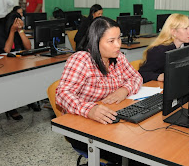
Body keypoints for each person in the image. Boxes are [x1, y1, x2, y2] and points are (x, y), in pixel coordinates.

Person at [56, 16, 143, 165]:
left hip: (110, 120)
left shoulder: (118, 58)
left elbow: (137, 78)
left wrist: (124, 90)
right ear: (96, 41)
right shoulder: (81, 60)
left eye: (119, 39)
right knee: (137, 158)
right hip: (82, 128)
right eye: (111, 41)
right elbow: (62, 95)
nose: (118, 45)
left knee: (140, 145)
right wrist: (89, 109)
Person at [139, 14, 189, 83]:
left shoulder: (183, 47)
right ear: (173, 32)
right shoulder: (159, 50)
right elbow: (142, 74)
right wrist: (158, 76)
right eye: (185, 28)